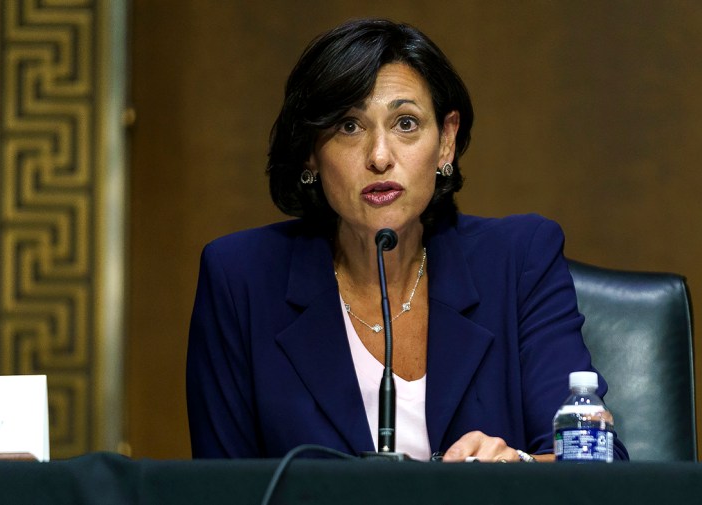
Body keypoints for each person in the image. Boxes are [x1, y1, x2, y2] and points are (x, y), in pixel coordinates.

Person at [186, 18, 628, 462]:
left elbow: (598, 465)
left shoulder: (519, 260)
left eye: (406, 123)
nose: (380, 157)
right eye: (348, 126)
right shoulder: (240, 278)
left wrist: (518, 467)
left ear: (446, 142)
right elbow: (217, 488)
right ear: (310, 153)